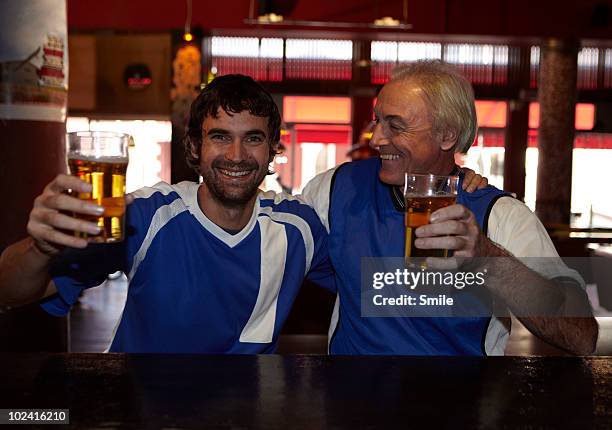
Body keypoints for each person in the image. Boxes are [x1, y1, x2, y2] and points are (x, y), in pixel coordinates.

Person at [0, 74, 334, 353]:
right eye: (220, 137)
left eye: (253, 139)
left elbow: (370, 282)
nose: (236, 155)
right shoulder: (146, 216)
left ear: (273, 148)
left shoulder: (298, 228)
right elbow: (10, 291)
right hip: (140, 407)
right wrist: (39, 248)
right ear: (193, 147)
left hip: (248, 410)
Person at [302, 60, 598, 355]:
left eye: (396, 125)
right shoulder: (336, 189)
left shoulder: (499, 214)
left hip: (459, 399)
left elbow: (580, 335)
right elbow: (268, 231)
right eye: (377, 121)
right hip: (353, 397)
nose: (377, 138)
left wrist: (486, 259)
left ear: (447, 136)